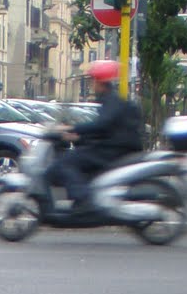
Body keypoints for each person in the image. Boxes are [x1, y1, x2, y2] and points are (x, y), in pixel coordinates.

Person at [49, 59, 143, 209]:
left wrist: (72, 128)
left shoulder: (112, 102)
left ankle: (83, 200)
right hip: (114, 147)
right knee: (77, 156)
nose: (92, 86)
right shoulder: (112, 101)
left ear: (100, 83)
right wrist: (79, 137)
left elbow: (101, 125)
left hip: (112, 150)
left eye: (93, 81)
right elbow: (105, 129)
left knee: (65, 163)